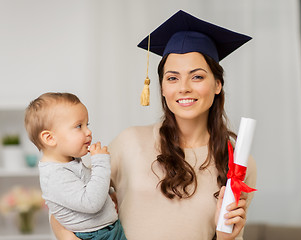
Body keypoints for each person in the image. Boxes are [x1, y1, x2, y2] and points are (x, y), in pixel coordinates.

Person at [50, 10, 256, 240]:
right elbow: (62, 203)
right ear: (161, 88)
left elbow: (231, 235)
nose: (184, 87)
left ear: (217, 84)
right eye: (172, 78)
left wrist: (225, 236)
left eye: (197, 77)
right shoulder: (129, 143)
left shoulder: (237, 161)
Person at [24, 92, 127, 240]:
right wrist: (100, 162)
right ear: (50, 138)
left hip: (105, 229)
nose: (88, 132)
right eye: (79, 126)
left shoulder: (69, 161)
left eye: (87, 124)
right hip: (95, 235)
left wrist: (110, 194)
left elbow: (87, 186)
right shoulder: (55, 175)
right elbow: (91, 203)